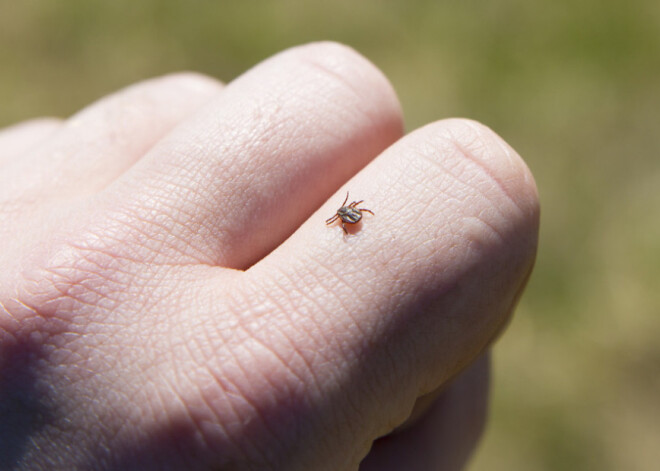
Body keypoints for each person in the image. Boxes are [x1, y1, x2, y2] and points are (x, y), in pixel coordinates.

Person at [0, 42, 539, 470]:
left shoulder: (347, 217)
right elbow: (351, 216)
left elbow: (348, 216)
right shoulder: (350, 217)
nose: (349, 216)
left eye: (350, 215)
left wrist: (347, 221)